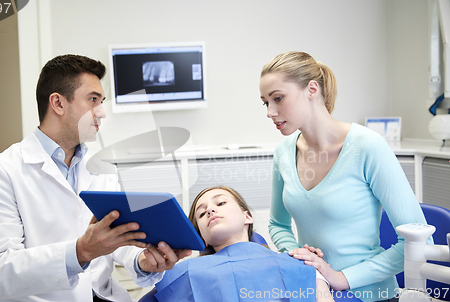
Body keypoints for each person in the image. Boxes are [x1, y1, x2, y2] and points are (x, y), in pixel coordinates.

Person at [0, 54, 191, 302]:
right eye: (93, 100)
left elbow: (116, 239)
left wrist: (142, 261)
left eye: (101, 101)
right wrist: (79, 252)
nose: (102, 112)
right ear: (58, 103)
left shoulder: (101, 169)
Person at [259, 51, 429, 302]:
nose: (270, 112)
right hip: (315, 293)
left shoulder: (367, 146)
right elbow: (278, 224)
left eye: (278, 98)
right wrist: (299, 255)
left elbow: (419, 240)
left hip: (372, 295)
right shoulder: (284, 152)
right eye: (265, 102)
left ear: (312, 89)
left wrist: (342, 277)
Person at [154, 186, 335, 302]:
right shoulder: (180, 275)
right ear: (203, 238)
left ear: (247, 216)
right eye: (201, 214)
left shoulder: (302, 264)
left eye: (221, 202)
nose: (210, 209)